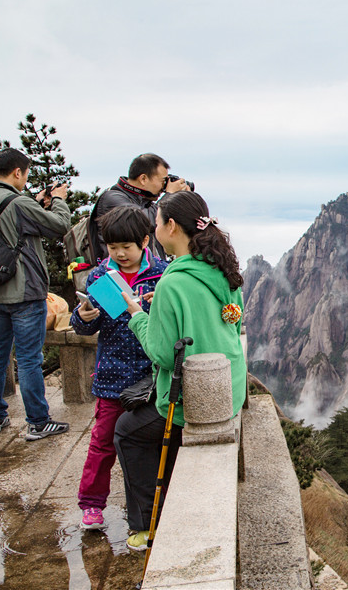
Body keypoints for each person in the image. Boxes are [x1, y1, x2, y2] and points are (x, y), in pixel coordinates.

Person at [114, 191, 246, 551]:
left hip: (195, 400)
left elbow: (161, 353)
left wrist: (137, 316)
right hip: (229, 388)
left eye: (156, 221)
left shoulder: (173, 281)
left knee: (127, 432)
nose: (155, 227)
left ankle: (146, 523)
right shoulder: (222, 268)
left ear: (171, 226)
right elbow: (232, 323)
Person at [70, 206, 168, 531]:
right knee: (102, 442)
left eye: (126, 246)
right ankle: (92, 504)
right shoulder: (100, 277)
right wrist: (82, 318)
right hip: (112, 376)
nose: (120, 253)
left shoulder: (162, 274)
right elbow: (86, 327)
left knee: (146, 444)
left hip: (150, 376)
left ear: (144, 240)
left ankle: (146, 506)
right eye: (113, 247)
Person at [0, 148, 72, 440]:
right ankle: (38, 422)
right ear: (18, 172)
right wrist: (59, 201)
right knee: (29, 359)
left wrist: (38, 203)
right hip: (25, 293)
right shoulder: (17, 202)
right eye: (25, 173)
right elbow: (59, 226)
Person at [89, 153, 190, 262]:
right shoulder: (112, 198)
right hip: (118, 273)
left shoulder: (146, 203)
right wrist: (170, 194)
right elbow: (143, 221)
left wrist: (183, 200)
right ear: (143, 179)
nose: (164, 187)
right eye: (163, 181)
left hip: (148, 271)